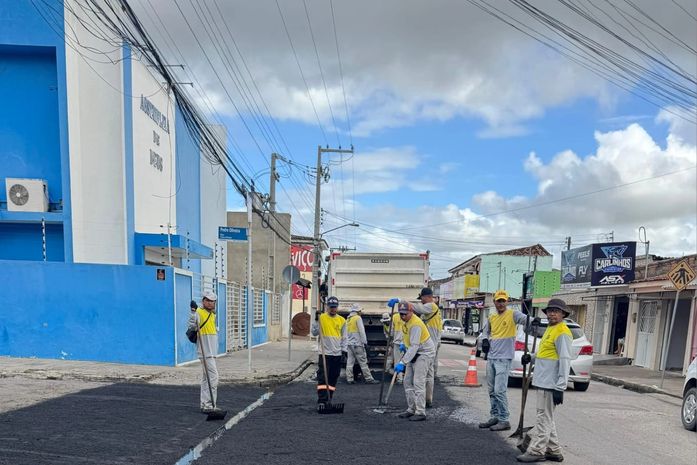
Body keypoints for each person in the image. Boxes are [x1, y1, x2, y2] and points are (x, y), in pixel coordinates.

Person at [516, 299, 573, 463]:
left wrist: (560, 387)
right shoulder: (551, 328)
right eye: (549, 311)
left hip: (550, 383)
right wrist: (531, 357)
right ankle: (553, 450)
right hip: (542, 380)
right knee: (547, 417)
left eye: (556, 311)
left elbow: (565, 360)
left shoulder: (562, 332)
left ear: (563, 314)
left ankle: (537, 451)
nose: (552, 314)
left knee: (543, 418)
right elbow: (545, 353)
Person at [478, 289, 530, 431]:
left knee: (499, 390)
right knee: (491, 390)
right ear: (494, 302)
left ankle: (504, 419)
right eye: (498, 301)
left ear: (507, 302)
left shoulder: (513, 314)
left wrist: (532, 321)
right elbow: (485, 332)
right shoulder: (492, 317)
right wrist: (485, 340)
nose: (501, 303)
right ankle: (495, 416)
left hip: (504, 359)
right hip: (492, 358)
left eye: (503, 301)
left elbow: (527, 321)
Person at [394, 301, 435, 422]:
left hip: (424, 353)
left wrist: (402, 362)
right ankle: (411, 409)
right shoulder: (405, 322)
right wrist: (403, 344)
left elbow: (414, 346)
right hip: (414, 352)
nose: (403, 316)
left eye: (405, 314)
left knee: (418, 382)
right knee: (407, 381)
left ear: (411, 312)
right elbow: (407, 337)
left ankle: (420, 411)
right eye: (401, 314)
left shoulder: (416, 324)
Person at [311, 296, 347, 407]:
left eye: (334, 307)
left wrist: (344, 351)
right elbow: (314, 332)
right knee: (323, 376)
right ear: (327, 307)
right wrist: (316, 321)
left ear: (337, 307)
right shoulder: (322, 318)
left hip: (337, 353)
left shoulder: (342, 320)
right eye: (331, 307)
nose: (333, 309)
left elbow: (344, 337)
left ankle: (329, 397)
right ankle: (322, 400)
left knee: (334, 376)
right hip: (325, 353)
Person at [188, 291, 220, 413]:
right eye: (208, 301)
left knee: (207, 378)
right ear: (203, 301)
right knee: (213, 377)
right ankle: (209, 405)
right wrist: (193, 312)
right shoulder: (199, 312)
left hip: (211, 352)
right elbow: (192, 326)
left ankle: (204, 404)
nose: (211, 303)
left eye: (213, 301)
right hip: (205, 352)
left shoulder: (212, 314)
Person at [412, 287, 443, 408]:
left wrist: (402, 302)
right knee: (429, 372)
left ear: (428, 297)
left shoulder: (431, 306)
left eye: (422, 298)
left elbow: (417, 308)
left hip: (431, 343)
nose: (421, 301)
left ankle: (424, 400)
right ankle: (428, 399)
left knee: (425, 373)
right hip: (433, 342)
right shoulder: (431, 308)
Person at [345, 304, 378, 384]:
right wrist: (365, 342)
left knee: (350, 362)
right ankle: (369, 379)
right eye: (360, 311)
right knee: (363, 362)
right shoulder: (358, 318)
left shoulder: (348, 319)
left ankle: (349, 379)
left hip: (349, 344)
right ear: (357, 311)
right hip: (357, 344)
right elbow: (362, 331)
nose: (361, 312)